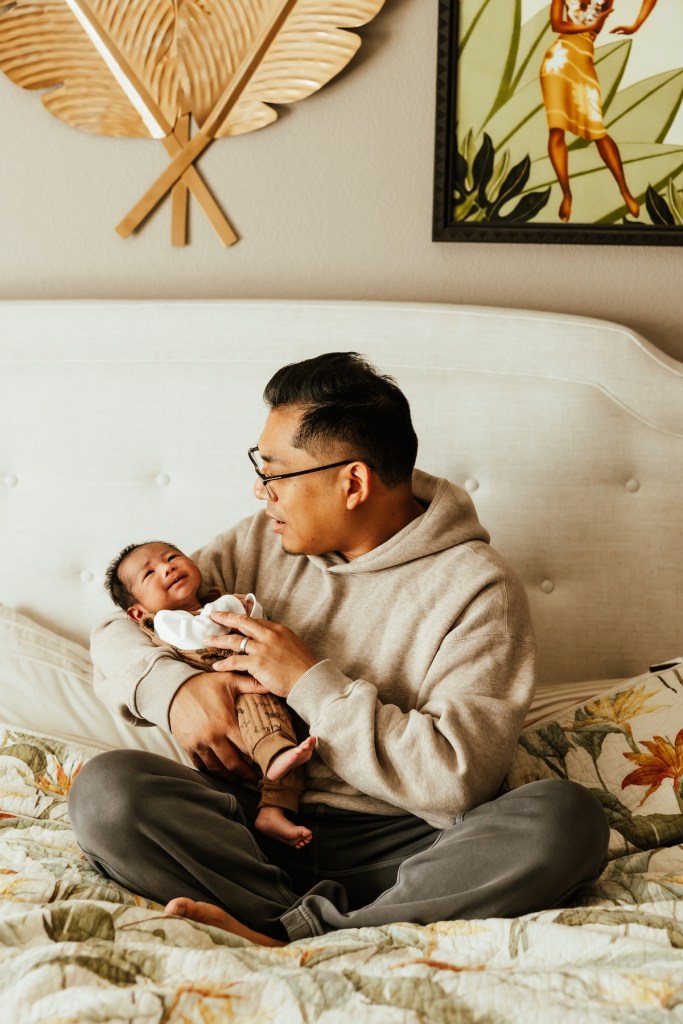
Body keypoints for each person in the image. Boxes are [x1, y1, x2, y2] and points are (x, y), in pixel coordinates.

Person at [69, 351, 609, 947]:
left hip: (404, 845)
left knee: (566, 820)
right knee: (107, 791)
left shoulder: (478, 588)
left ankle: (290, 930)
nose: (259, 490)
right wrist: (175, 691)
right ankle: (333, 930)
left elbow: (457, 778)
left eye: (274, 473)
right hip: (248, 827)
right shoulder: (260, 541)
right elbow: (122, 628)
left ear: (352, 482)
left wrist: (308, 680)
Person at [103, 540, 317, 848]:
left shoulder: (213, 600)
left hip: (259, 684)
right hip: (229, 697)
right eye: (149, 573)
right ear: (138, 612)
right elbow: (201, 634)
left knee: (283, 744)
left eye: (172, 557)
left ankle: (273, 810)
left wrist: (247, 608)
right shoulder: (166, 622)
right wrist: (233, 608)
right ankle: (276, 761)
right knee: (265, 728)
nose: (167, 567)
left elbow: (257, 624)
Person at [540, 0, 658, 222]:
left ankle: (624, 190)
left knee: (598, 131)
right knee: (556, 130)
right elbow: (556, 25)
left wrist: (636, 25)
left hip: (584, 58)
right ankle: (566, 194)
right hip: (558, 59)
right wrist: (593, 23)